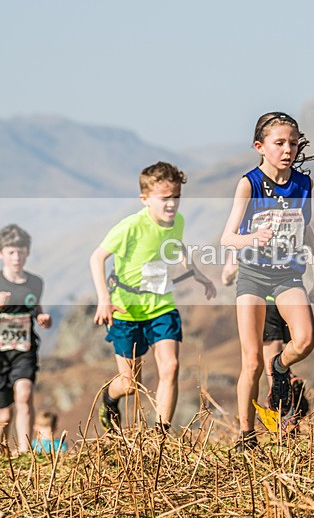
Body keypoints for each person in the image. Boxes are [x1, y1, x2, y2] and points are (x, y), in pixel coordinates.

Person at [220, 112, 314, 452]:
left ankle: (281, 367)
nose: (288, 150)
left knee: (304, 341)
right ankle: (246, 436)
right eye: (279, 143)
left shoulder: (303, 184)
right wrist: (252, 238)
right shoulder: (249, 184)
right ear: (260, 147)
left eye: (293, 143)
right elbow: (228, 237)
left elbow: (306, 228)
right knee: (251, 362)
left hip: (288, 275)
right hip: (253, 277)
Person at [90, 162, 216, 434]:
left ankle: (160, 436)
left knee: (171, 367)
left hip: (161, 306)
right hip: (127, 310)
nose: (172, 204)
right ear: (145, 199)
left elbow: (176, 246)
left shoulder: (177, 221)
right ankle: (109, 398)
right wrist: (104, 299)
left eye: (177, 197)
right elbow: (97, 257)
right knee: (130, 385)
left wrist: (197, 274)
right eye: (164, 198)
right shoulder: (131, 226)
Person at [221, 250, 314, 431]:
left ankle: (285, 421)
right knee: (283, 351)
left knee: (270, 355)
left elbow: (231, 267)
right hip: (287, 294)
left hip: (264, 298)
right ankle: (287, 388)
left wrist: (228, 275)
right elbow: (309, 245)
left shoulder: (246, 234)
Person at [0, 224, 51, 454]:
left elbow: (35, 308)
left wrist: (42, 318)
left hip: (24, 350)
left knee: (24, 396)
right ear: (0, 253)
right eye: (11, 252)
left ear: (28, 252)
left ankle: (26, 452)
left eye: (21, 252)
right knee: (4, 411)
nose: (16, 257)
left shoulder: (35, 283)